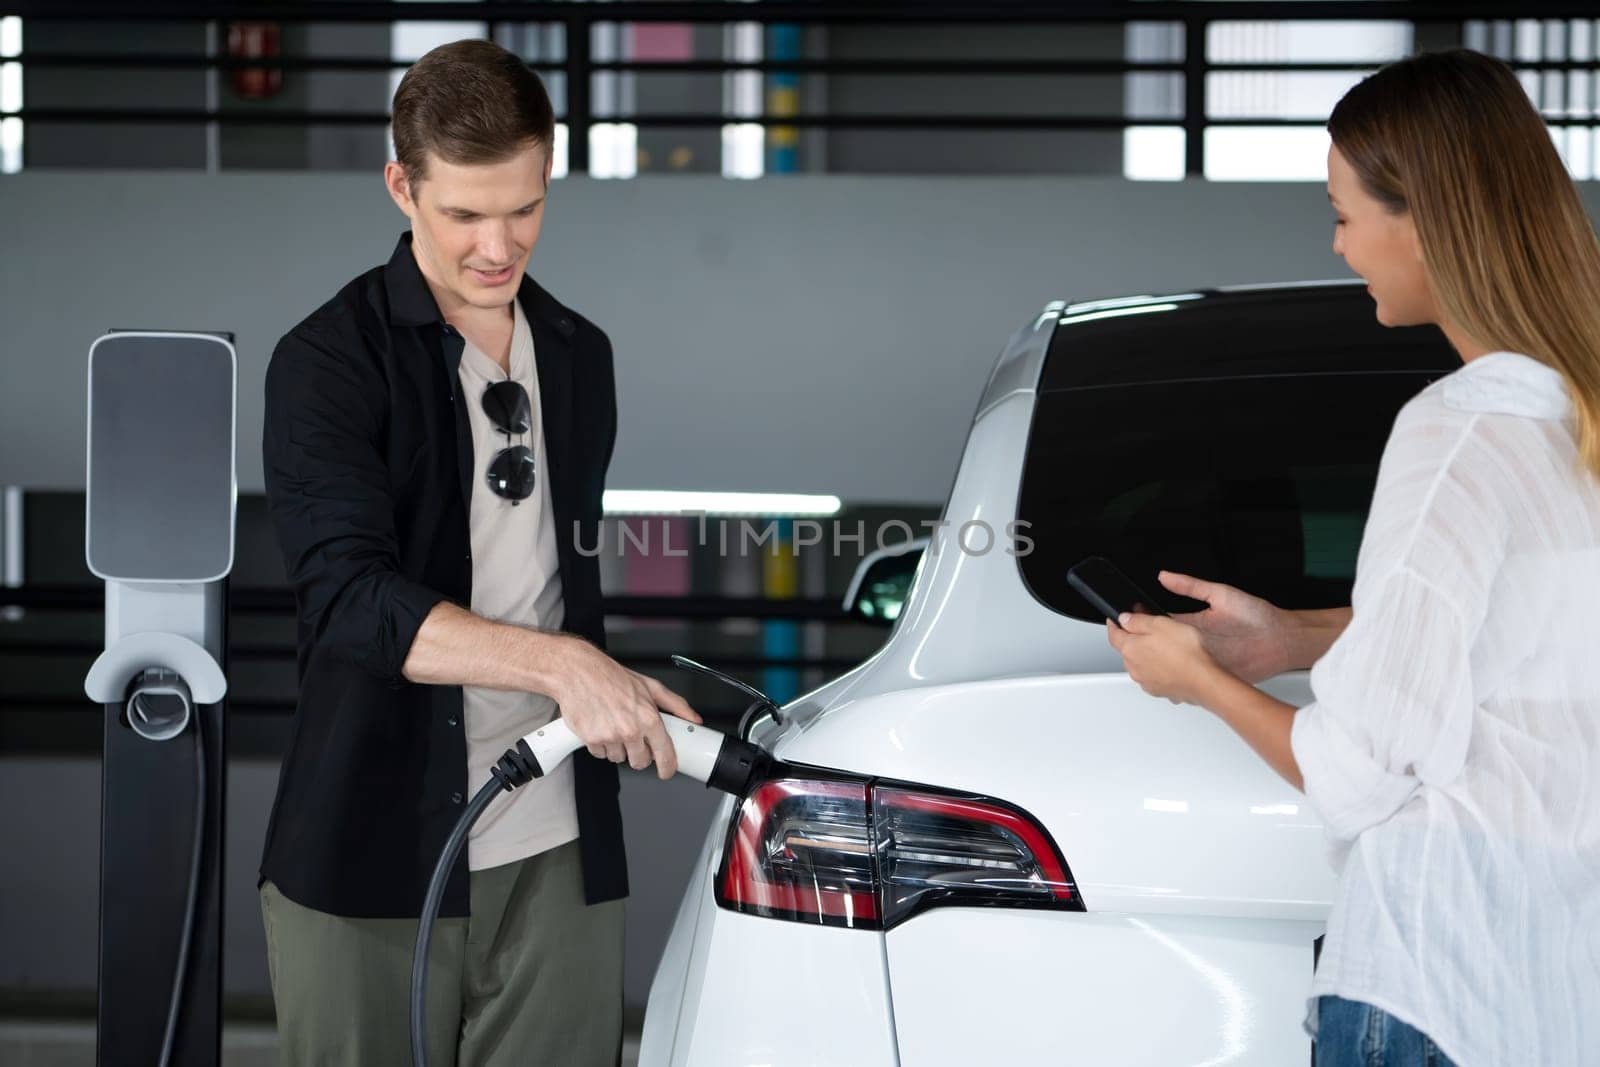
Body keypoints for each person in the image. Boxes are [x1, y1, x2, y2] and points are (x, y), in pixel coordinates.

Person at [1107, 50, 1600, 1067]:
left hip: (1432, 983)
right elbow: (1526, 638)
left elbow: (1354, 772)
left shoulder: (1459, 430)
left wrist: (1193, 677)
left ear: (1418, 217)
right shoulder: (1573, 420)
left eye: (1341, 212)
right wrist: (1295, 634)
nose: (1337, 246)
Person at [256, 39, 700, 1066]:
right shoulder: (325, 363)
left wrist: (602, 677)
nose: (499, 246)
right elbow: (350, 600)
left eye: (524, 208)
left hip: (556, 834)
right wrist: (564, 665)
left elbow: (542, 581)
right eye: (463, 214)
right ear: (401, 186)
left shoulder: (580, 355)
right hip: (366, 843)